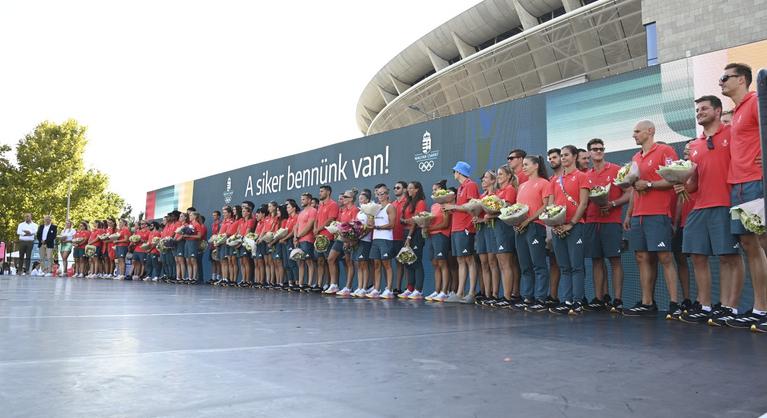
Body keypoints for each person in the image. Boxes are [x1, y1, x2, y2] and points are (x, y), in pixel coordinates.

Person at [677, 95, 744, 325]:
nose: (699, 113)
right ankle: (704, 305)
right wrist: (682, 181)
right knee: (697, 256)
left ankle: (730, 307)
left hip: (726, 203)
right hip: (700, 207)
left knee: (728, 257)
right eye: (697, 110)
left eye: (704, 109)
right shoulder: (694, 146)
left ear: (718, 111)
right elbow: (694, 185)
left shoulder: (732, 133)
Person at [719, 63, 767, 330]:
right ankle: (760, 308)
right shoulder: (736, 111)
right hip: (737, 185)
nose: (721, 82)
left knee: (763, 243)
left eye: (725, 77)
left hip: (754, 182)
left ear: (742, 80)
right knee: (751, 246)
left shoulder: (756, 101)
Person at [622, 120, 681, 318]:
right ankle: (647, 302)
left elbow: (674, 179)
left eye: (637, 131)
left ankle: (674, 303)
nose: (634, 135)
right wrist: (629, 213)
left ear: (650, 131)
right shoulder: (635, 157)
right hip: (638, 214)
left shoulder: (665, 151)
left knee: (664, 257)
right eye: (634, 131)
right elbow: (633, 188)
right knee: (642, 258)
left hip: (658, 212)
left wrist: (649, 185)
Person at [584, 138, 630, 312]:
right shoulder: (586, 175)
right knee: (596, 260)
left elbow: (630, 193)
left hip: (611, 221)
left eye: (601, 148)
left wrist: (612, 204)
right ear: (589, 153)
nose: (598, 151)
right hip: (592, 222)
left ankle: (617, 300)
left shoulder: (616, 170)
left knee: (615, 260)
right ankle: (599, 298)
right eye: (595, 149)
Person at [546, 145, 589, 315]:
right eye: (561, 155)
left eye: (566, 155)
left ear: (575, 156)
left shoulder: (582, 176)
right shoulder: (554, 180)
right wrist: (555, 224)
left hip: (575, 226)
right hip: (558, 229)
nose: (563, 158)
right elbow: (551, 205)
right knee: (564, 266)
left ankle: (577, 302)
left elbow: (584, 203)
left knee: (576, 266)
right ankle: (566, 300)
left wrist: (571, 223)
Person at [514, 156, 551, 312]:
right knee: (525, 265)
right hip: (520, 228)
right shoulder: (521, 186)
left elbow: (545, 206)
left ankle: (541, 298)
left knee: (539, 264)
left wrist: (529, 220)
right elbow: (518, 208)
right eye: (523, 165)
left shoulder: (544, 183)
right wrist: (515, 221)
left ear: (536, 166)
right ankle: (528, 297)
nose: (524, 167)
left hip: (535, 226)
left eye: (526, 164)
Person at [443, 161, 480, 303]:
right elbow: (462, 207)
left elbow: (472, 206)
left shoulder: (470, 185)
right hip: (456, 227)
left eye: (455, 171)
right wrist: (451, 208)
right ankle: (459, 292)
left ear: (459, 172)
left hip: (466, 226)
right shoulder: (460, 188)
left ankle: (471, 293)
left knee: (469, 259)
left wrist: (453, 206)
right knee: (460, 260)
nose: (454, 174)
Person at [492, 165, 520, 308]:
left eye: (501, 174)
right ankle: (511, 294)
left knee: (506, 263)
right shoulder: (499, 191)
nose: (498, 176)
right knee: (505, 263)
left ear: (509, 176)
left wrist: (490, 213)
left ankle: (508, 297)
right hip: (499, 228)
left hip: (505, 228)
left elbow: (507, 209)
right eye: (497, 174)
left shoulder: (509, 189)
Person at [474, 171, 501, 305]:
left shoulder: (496, 195)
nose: (483, 180)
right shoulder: (481, 196)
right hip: (481, 230)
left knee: (492, 262)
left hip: (492, 228)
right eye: (482, 178)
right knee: (483, 262)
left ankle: (495, 294)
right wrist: (476, 218)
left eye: (485, 178)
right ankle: (486, 293)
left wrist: (487, 217)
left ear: (493, 180)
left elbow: (499, 212)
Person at [367, 184, 397, 299]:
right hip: (375, 239)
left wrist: (378, 227)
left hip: (386, 239)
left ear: (387, 194)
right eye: (378, 194)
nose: (380, 195)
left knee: (387, 264)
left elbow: (392, 224)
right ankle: (376, 289)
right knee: (376, 265)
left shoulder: (390, 207)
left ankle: (389, 289)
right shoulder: (376, 208)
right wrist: (370, 218)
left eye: (382, 193)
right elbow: (370, 224)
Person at [327, 189, 359, 296]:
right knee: (330, 258)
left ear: (351, 199)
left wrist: (349, 240)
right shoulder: (344, 210)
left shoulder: (354, 209)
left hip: (349, 240)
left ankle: (348, 287)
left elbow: (355, 226)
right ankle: (334, 284)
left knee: (349, 263)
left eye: (345, 197)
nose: (343, 199)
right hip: (340, 238)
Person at [399, 181, 427, 299]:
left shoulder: (420, 202)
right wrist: (404, 221)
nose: (408, 190)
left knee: (416, 262)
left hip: (415, 234)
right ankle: (410, 288)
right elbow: (407, 219)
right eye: (408, 188)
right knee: (407, 261)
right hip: (406, 233)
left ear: (417, 190)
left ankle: (418, 290)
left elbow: (415, 221)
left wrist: (409, 237)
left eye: (411, 188)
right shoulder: (408, 202)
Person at [313, 185, 339, 292]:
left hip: (328, 237)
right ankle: (320, 284)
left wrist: (318, 229)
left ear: (328, 192)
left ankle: (331, 284)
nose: (320, 193)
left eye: (322, 191)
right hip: (318, 237)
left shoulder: (333, 204)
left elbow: (330, 219)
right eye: (319, 191)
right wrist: (315, 230)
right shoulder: (320, 205)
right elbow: (316, 219)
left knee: (330, 261)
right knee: (320, 261)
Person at [546, 148, 563, 306]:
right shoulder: (550, 180)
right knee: (554, 261)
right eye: (550, 158)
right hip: (552, 224)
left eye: (555, 157)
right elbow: (549, 204)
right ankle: (553, 296)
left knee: (571, 263)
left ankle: (575, 298)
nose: (552, 160)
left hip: (570, 224)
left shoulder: (573, 176)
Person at [351, 189, 374, 297]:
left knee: (364, 264)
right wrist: (354, 236)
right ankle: (359, 287)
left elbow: (369, 228)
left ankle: (365, 287)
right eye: (359, 199)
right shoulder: (359, 212)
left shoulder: (369, 212)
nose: (360, 200)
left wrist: (361, 236)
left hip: (365, 241)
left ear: (367, 200)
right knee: (359, 264)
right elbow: (356, 227)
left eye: (362, 199)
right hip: (358, 241)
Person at [294, 193, 317, 291]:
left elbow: (310, 225)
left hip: (308, 239)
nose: (301, 201)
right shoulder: (301, 213)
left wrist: (299, 236)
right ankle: (301, 284)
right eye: (301, 199)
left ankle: (310, 284)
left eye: (303, 199)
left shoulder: (313, 210)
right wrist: (295, 237)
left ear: (309, 200)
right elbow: (296, 226)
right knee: (300, 262)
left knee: (309, 261)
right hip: (299, 240)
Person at [391, 181, 408, 294]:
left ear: (405, 189)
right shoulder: (392, 204)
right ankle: (397, 288)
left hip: (404, 236)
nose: (395, 189)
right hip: (393, 236)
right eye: (394, 187)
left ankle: (408, 288)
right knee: (398, 263)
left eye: (398, 187)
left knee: (406, 263)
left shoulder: (407, 202)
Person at [209, 210, 222, 283]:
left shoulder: (220, 223)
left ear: (218, 216)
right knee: (213, 262)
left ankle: (218, 278)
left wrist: (217, 242)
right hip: (212, 245)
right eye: (213, 215)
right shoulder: (213, 224)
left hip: (218, 244)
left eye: (215, 215)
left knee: (218, 262)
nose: (213, 216)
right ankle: (213, 278)